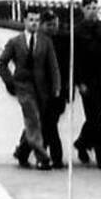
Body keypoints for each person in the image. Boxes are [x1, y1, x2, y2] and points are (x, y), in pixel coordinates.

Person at [0, 7, 60, 170]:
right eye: (31, 20)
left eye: (37, 20)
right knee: (33, 120)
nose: (34, 23)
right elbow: (1, 63)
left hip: (42, 89)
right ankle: (42, 157)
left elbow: (53, 67)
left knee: (36, 122)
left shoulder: (46, 42)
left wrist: (56, 87)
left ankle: (22, 152)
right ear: (24, 21)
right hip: (23, 88)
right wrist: (9, 82)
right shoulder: (15, 42)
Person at [73, 0, 101, 169]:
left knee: (96, 117)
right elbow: (75, 59)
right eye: (89, 7)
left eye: (95, 7)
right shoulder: (78, 30)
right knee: (96, 119)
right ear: (83, 9)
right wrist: (79, 81)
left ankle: (82, 143)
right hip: (88, 81)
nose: (92, 10)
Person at [39, 9, 70, 168]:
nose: (53, 28)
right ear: (42, 25)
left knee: (48, 124)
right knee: (48, 124)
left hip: (58, 92)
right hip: (41, 91)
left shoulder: (63, 42)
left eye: (55, 24)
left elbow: (68, 68)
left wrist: (67, 91)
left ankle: (29, 153)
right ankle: (54, 157)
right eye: (49, 25)